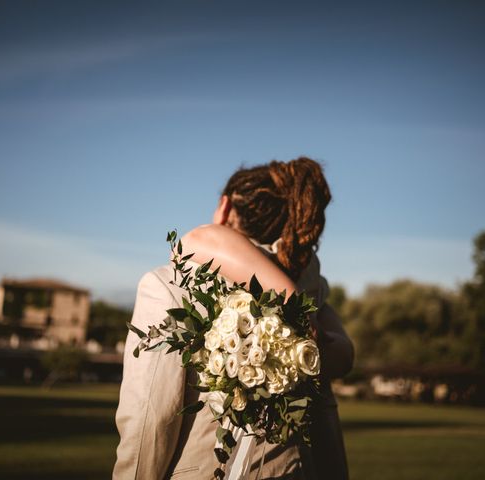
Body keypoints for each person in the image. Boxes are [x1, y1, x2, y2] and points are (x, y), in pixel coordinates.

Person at [113, 157, 353, 479]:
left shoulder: (169, 287)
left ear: (224, 207)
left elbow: (150, 420)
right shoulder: (309, 290)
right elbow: (339, 371)